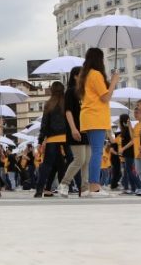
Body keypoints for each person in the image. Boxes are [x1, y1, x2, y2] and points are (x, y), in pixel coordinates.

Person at [77, 48, 119, 198]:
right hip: (95, 117)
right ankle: (94, 186)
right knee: (97, 152)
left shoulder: (86, 75)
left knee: (95, 152)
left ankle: (92, 186)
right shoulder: (95, 74)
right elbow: (105, 97)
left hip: (91, 117)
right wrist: (114, 81)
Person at [35, 81, 68, 198]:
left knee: (47, 165)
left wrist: (40, 141)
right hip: (66, 138)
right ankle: (66, 188)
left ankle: (39, 190)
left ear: (52, 90)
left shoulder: (49, 104)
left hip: (52, 139)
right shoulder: (66, 103)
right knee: (66, 164)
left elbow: (44, 124)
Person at [59, 67, 88, 197]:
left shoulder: (85, 92)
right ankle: (64, 184)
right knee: (79, 159)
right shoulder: (70, 92)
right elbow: (68, 111)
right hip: (75, 129)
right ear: (76, 76)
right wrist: (73, 129)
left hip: (87, 129)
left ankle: (85, 188)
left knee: (86, 160)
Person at [117, 113, 141, 195]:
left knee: (129, 171)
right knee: (128, 171)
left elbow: (133, 141)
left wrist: (123, 148)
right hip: (127, 152)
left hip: (129, 152)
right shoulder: (125, 130)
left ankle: (139, 186)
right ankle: (133, 188)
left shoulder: (129, 129)